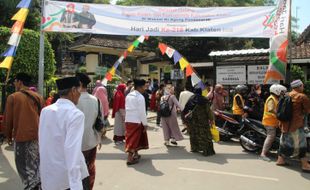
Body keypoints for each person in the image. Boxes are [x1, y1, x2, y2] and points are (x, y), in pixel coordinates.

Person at [39, 77, 89, 189]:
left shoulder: (46, 111)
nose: (80, 95)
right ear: (73, 91)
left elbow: (43, 143)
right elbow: (72, 151)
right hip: (67, 180)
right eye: (79, 91)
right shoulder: (75, 114)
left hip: (49, 177)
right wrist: (76, 185)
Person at [4, 73, 44, 190]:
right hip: (36, 138)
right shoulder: (38, 97)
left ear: (20, 82)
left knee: (23, 168)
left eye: (15, 81)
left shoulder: (13, 97)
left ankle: (33, 187)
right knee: (35, 166)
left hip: (21, 138)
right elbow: (43, 116)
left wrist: (8, 137)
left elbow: (8, 120)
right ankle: (37, 185)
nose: (14, 83)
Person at [276, 80, 310, 173]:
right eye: (302, 85)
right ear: (299, 86)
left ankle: (280, 160)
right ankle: (305, 165)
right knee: (301, 145)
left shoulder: (286, 95)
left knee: (283, 142)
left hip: (284, 124)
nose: (303, 87)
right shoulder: (302, 96)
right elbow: (307, 111)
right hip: (296, 125)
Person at [76, 73, 102, 190]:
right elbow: (99, 121)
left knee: (76, 171)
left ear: (79, 83)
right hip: (91, 141)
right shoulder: (96, 100)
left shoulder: (73, 100)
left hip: (76, 143)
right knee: (90, 168)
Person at [183, 87, 215, 156]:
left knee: (193, 134)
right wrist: (211, 120)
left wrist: (184, 121)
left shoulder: (191, 99)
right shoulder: (204, 100)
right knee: (204, 135)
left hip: (192, 121)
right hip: (202, 121)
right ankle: (206, 150)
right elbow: (208, 111)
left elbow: (185, 110)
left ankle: (194, 148)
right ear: (200, 92)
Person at [125, 79, 149, 165]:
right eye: (144, 87)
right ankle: (130, 158)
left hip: (128, 120)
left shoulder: (128, 96)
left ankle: (136, 154)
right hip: (136, 120)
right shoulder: (140, 97)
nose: (145, 89)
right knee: (133, 139)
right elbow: (142, 112)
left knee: (134, 138)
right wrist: (145, 124)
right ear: (140, 87)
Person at [260, 84, 286, 161]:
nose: (282, 93)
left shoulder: (276, 98)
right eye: (281, 92)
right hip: (269, 122)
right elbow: (271, 109)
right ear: (276, 91)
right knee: (271, 136)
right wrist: (278, 114)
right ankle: (263, 154)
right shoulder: (271, 99)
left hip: (274, 122)